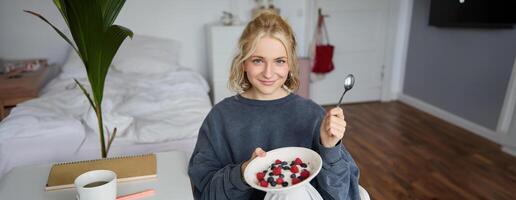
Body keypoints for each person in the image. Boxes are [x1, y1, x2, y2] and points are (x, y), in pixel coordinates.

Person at [188, 10, 360, 200]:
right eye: (258, 60)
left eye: (279, 61)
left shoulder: (312, 115)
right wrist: (243, 172)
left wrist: (330, 149)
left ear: (290, 65)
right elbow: (204, 193)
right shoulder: (220, 117)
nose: (268, 73)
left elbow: (346, 195)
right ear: (243, 62)